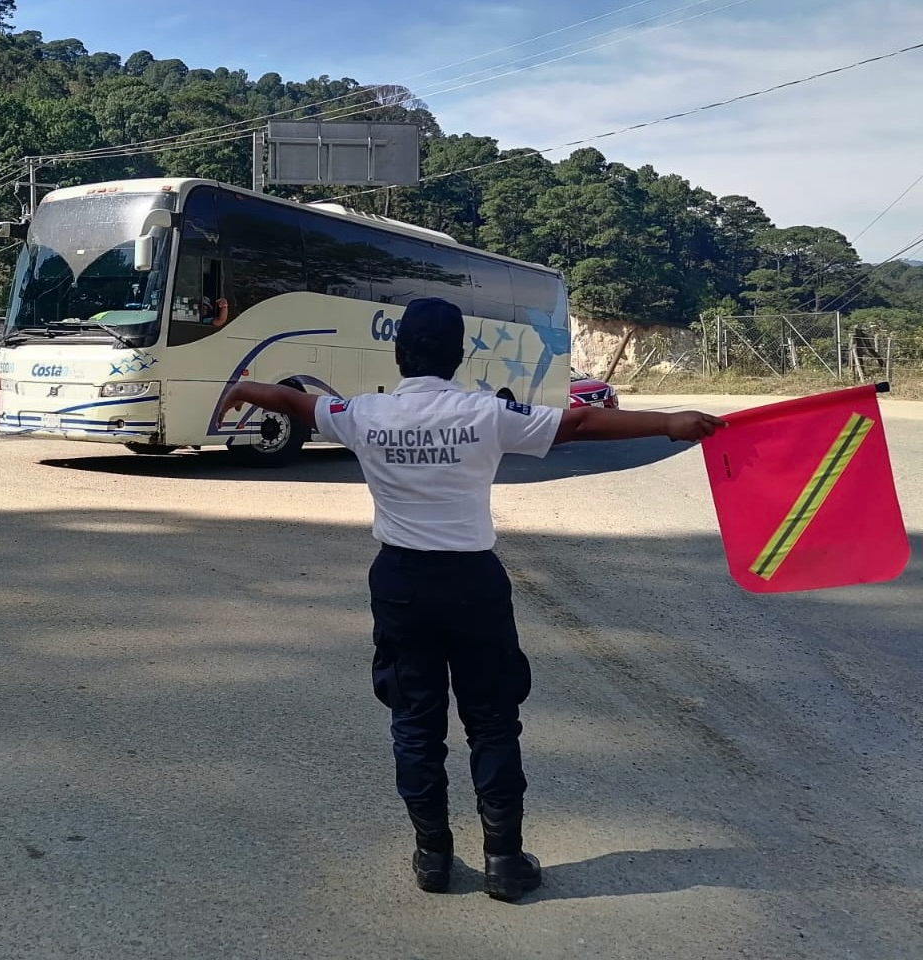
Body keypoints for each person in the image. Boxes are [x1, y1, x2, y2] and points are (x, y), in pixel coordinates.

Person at [220, 298, 724, 901]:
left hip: (402, 584)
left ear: (399, 352)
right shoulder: (487, 414)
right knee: (492, 722)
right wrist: (672, 422)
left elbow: (298, 401)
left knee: (414, 720)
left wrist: (245, 388)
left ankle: (433, 857)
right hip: (475, 585)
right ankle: (505, 862)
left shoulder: (364, 414)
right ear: (459, 356)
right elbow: (580, 423)